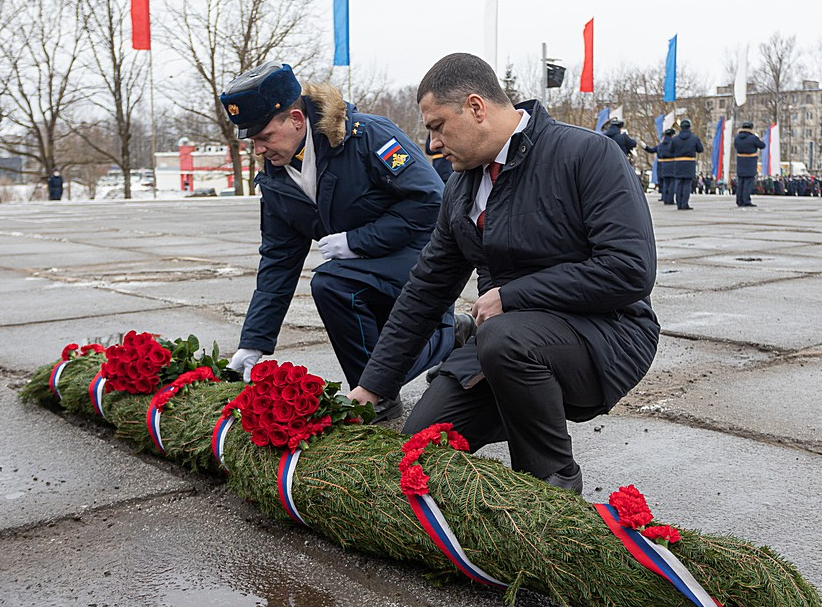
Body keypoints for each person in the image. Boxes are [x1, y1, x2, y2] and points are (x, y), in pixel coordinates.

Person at [347, 53, 659, 494]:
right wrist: (372, 387)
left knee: (502, 338)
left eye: (437, 126)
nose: (432, 144)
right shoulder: (460, 187)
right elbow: (425, 291)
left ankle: (550, 479)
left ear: (476, 108)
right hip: (507, 340)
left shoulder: (587, 154)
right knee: (420, 448)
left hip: (607, 333)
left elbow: (629, 271)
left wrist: (512, 295)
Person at [221, 61, 463, 421]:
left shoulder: (366, 136)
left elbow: (430, 201)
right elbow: (278, 260)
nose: (258, 149)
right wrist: (253, 342)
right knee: (337, 288)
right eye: (252, 140)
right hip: (363, 268)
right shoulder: (275, 179)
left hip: (420, 255)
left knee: (332, 282)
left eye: (264, 137)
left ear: (296, 120)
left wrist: (356, 241)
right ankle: (376, 394)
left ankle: (450, 336)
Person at [667, 118, 704, 210]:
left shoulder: (675, 139)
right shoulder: (694, 138)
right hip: (689, 162)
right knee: (687, 184)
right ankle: (684, 204)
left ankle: (679, 204)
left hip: (678, 162)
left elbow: (670, 150)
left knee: (679, 183)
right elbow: (700, 149)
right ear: (689, 127)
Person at [733, 121, 765, 207]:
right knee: (748, 181)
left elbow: (735, 146)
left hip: (740, 160)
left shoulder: (737, 138)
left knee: (740, 182)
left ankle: (739, 200)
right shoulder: (753, 138)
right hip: (750, 161)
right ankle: (746, 200)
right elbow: (762, 145)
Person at [643, 127, 675, 205]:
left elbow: (651, 150)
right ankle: (670, 200)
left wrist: (645, 147)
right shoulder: (673, 143)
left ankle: (664, 198)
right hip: (672, 164)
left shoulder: (660, 145)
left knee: (665, 183)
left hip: (662, 165)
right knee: (672, 183)